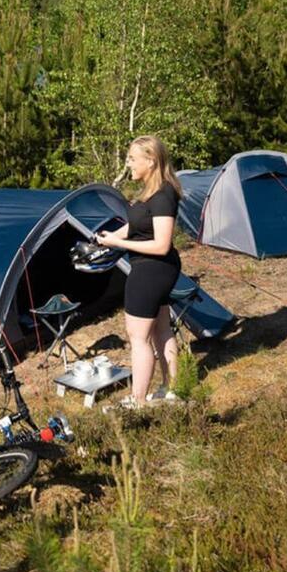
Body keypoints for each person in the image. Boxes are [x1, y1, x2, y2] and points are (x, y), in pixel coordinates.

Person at [95, 135, 182, 408]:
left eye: (132, 158)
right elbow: (137, 227)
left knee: (138, 337)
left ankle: (138, 399)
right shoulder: (149, 192)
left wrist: (118, 243)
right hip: (154, 269)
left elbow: (161, 244)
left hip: (151, 271)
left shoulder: (163, 195)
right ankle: (170, 390)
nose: (128, 163)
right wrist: (110, 237)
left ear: (151, 161)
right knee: (161, 330)